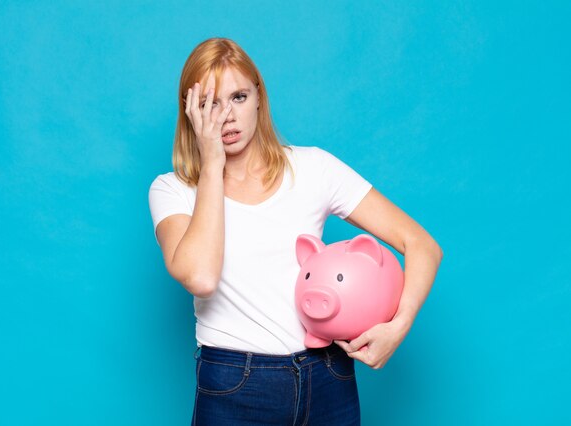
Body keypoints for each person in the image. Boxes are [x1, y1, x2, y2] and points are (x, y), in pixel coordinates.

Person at [148, 37, 443, 425]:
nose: (227, 117)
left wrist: (397, 327)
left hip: (328, 375)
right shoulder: (172, 190)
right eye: (209, 104)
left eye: (238, 97)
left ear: (259, 97)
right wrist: (212, 162)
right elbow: (201, 277)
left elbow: (421, 244)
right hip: (236, 384)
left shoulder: (314, 169)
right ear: (191, 112)